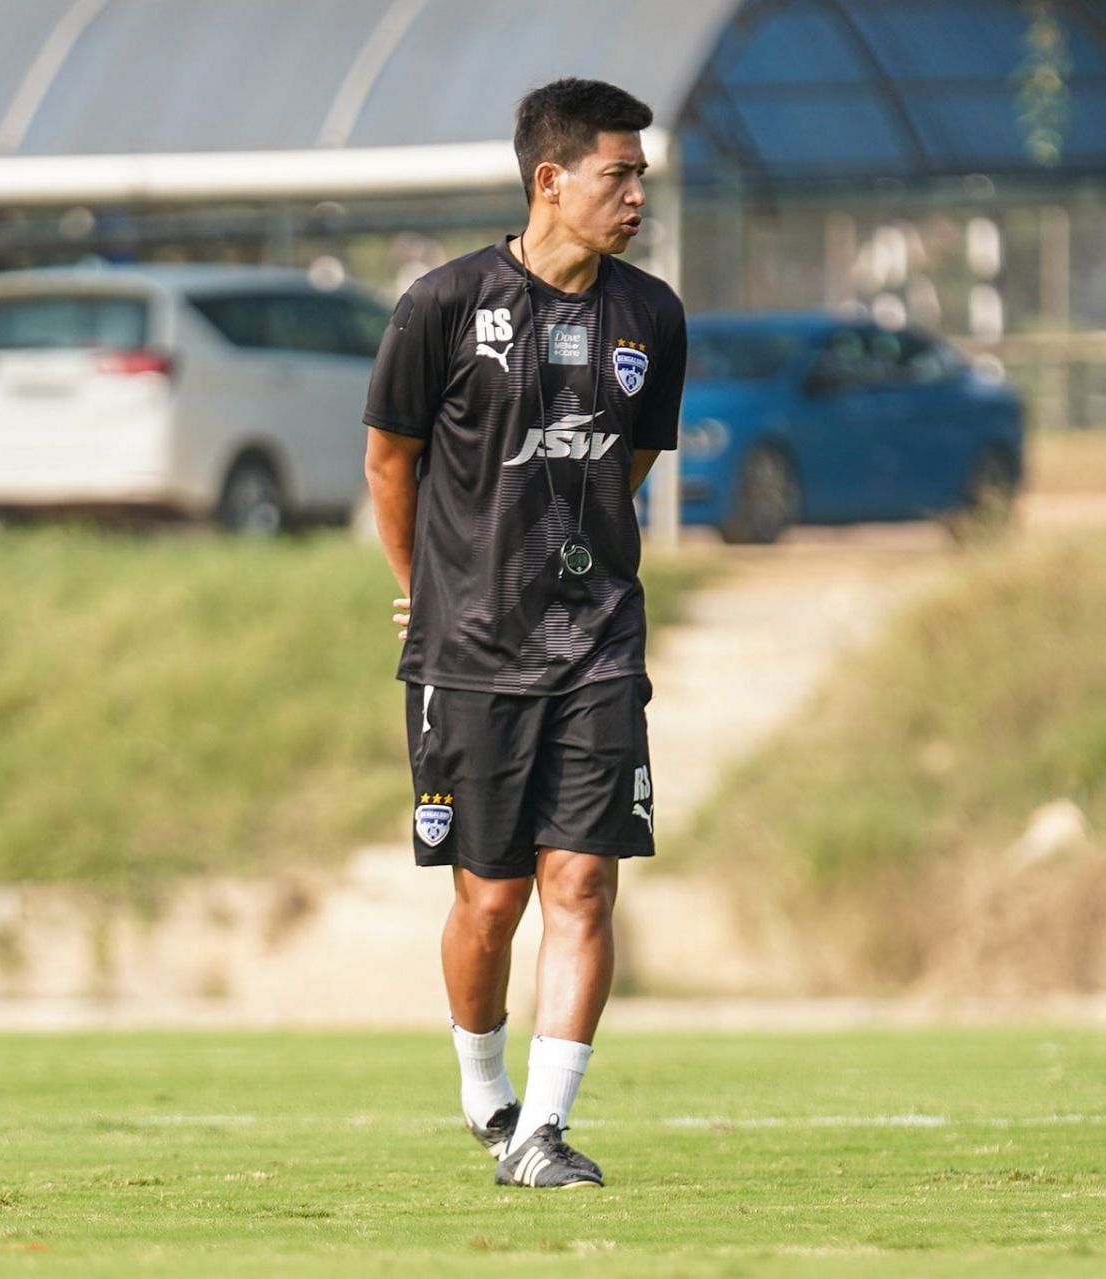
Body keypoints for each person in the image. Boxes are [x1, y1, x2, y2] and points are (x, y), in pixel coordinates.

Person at [362, 78, 686, 1191]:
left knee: (584, 884)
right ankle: (485, 1092)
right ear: (551, 180)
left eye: (640, 173)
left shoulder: (652, 316)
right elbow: (388, 461)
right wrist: (420, 582)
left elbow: (630, 458)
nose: (638, 192)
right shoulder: (443, 305)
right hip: (470, 650)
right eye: (619, 172)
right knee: (488, 900)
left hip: (598, 642)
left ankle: (544, 1131)